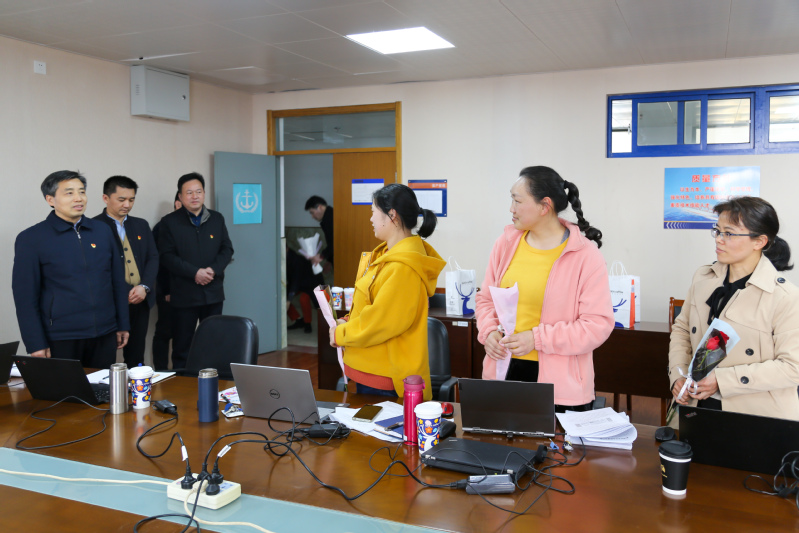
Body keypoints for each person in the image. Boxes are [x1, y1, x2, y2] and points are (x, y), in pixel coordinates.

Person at [476, 166, 614, 411]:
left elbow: (596, 325)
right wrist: (488, 332)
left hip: (560, 386)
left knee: (553, 439)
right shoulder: (505, 244)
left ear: (544, 206)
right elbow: (486, 299)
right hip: (503, 371)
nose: (511, 209)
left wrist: (537, 339)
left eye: (518, 201)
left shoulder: (585, 255)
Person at [669, 197, 799, 420]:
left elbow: (792, 367)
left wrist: (722, 380)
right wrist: (678, 374)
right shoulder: (703, 278)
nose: (719, 239)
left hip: (754, 414)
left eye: (729, 234)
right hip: (695, 402)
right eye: (717, 231)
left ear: (759, 241)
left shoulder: (784, 297)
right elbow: (681, 330)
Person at [329, 184, 445, 400]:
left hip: (383, 377)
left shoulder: (403, 268)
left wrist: (341, 333)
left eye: (373, 212)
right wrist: (347, 320)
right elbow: (371, 303)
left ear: (392, 215)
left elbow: (380, 321)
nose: (371, 218)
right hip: (369, 370)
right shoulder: (386, 255)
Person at [12, 170, 130, 368]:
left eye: (82, 192)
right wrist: (35, 342)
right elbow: (25, 297)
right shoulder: (31, 238)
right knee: (64, 388)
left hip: (105, 332)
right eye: (69, 193)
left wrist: (122, 324)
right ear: (50, 199)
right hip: (60, 337)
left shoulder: (102, 231)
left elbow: (117, 281)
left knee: (102, 387)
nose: (78, 198)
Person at [158, 172, 234, 369]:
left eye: (198, 191)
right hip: (185, 294)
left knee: (214, 340)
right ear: (180, 196)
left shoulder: (217, 219)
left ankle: (214, 378)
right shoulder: (169, 222)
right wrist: (195, 272)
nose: (194, 196)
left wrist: (212, 270)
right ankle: (182, 381)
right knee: (182, 345)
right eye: (189, 192)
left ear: (204, 193)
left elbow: (227, 249)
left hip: (213, 292)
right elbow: (167, 256)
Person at [93, 176, 158, 368]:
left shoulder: (141, 225)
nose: (127, 205)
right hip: (110, 302)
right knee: (105, 356)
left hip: (140, 299)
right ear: (105, 198)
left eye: (131, 199)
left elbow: (153, 257)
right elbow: (97, 268)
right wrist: (125, 292)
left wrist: (144, 287)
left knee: (136, 354)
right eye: (121, 199)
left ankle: (136, 386)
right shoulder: (94, 227)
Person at [151, 192, 181, 370]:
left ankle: (180, 372)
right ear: (177, 203)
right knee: (164, 331)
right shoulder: (162, 227)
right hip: (168, 290)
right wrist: (167, 290)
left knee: (182, 334)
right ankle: (161, 371)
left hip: (188, 291)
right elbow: (159, 262)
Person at [305, 196, 333, 267]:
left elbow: (336, 242)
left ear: (320, 207)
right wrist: (330, 260)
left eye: (312, 212)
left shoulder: (331, 219)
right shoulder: (328, 217)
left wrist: (321, 256)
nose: (312, 216)